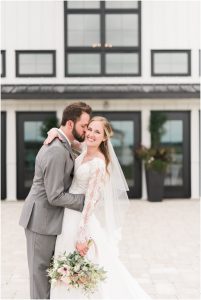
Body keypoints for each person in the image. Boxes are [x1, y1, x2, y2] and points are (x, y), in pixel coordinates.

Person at [45, 116, 152, 299]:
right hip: (67, 216)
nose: (91, 134)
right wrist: (54, 131)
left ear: (104, 138)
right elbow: (66, 139)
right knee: (65, 266)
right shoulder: (83, 150)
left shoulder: (98, 163)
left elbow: (91, 201)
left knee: (80, 270)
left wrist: (82, 235)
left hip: (80, 222)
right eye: (90, 129)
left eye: (97, 132)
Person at [19, 102, 92, 299]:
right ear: (70, 123)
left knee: (50, 277)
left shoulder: (65, 143)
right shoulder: (56, 150)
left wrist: (54, 130)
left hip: (51, 221)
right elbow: (55, 195)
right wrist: (86, 201)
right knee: (40, 278)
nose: (86, 131)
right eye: (83, 126)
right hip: (40, 222)